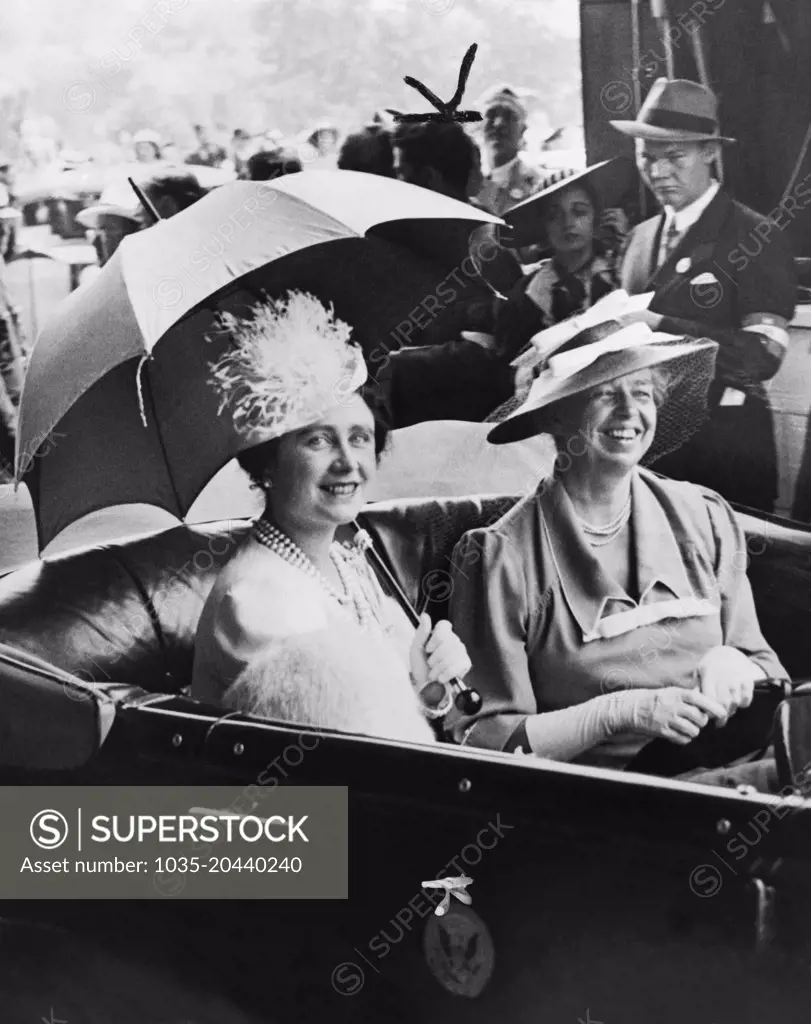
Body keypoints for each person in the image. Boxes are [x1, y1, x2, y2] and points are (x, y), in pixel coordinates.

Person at [448, 319, 787, 789]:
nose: (629, 410)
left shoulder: (704, 516)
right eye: (604, 394)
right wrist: (617, 713)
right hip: (619, 806)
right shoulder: (501, 556)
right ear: (556, 415)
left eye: (643, 392)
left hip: (750, 765)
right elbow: (486, 742)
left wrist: (733, 660)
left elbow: (769, 671)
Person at [191, 292, 471, 743]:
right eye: (318, 441)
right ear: (267, 464)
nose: (347, 462)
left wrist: (428, 682)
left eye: (359, 438)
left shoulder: (346, 561)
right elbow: (367, 756)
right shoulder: (261, 601)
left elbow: (392, 720)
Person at [612, 78, 796, 514]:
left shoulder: (754, 235)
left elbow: (760, 356)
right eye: (647, 157)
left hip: (724, 460)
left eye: (674, 157)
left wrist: (660, 328)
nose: (658, 172)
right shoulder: (637, 241)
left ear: (711, 153)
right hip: (645, 459)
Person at [493, 159, 634, 365]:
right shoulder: (532, 294)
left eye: (579, 212)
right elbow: (514, 365)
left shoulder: (620, 271)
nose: (568, 223)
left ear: (595, 217)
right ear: (542, 226)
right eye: (554, 216)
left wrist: (628, 245)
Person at [475, 84, 573, 217]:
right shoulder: (466, 181)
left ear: (523, 130)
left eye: (509, 117)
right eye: (491, 115)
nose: (498, 124)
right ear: (479, 125)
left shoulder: (539, 184)